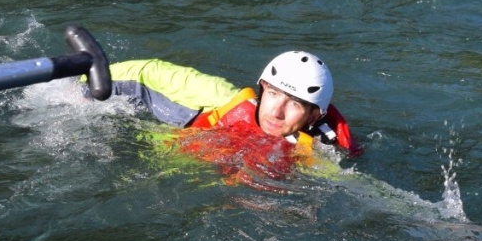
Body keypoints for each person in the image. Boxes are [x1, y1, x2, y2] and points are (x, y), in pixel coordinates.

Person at [108, 52, 362, 163]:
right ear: (262, 88)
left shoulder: (319, 153)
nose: (276, 112)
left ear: (315, 115)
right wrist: (88, 77)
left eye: (294, 104)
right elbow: (149, 72)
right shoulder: (221, 98)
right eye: (273, 94)